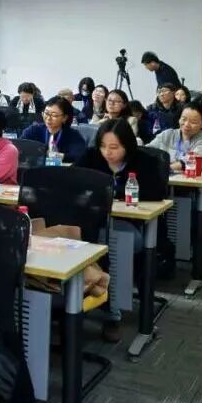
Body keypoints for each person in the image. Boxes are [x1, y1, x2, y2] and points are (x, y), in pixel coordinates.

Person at [73, 119, 164, 342]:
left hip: (129, 223)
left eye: (114, 147)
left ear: (127, 145)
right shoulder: (91, 156)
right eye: (103, 146)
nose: (107, 153)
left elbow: (156, 191)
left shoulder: (145, 161)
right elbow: (73, 181)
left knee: (111, 242)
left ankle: (112, 314)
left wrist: (114, 190)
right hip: (94, 221)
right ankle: (78, 299)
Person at [147, 101, 202, 215]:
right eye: (183, 119)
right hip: (166, 189)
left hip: (199, 193)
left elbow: (192, 161)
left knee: (180, 208)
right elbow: (147, 153)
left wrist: (166, 168)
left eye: (193, 122)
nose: (186, 124)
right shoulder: (168, 134)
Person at [21, 97, 87, 164]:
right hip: (36, 168)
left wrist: (54, 155)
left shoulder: (73, 135)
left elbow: (79, 155)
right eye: (46, 113)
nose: (48, 118)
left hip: (61, 169)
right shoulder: (33, 130)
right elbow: (20, 147)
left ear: (64, 118)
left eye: (54, 115)